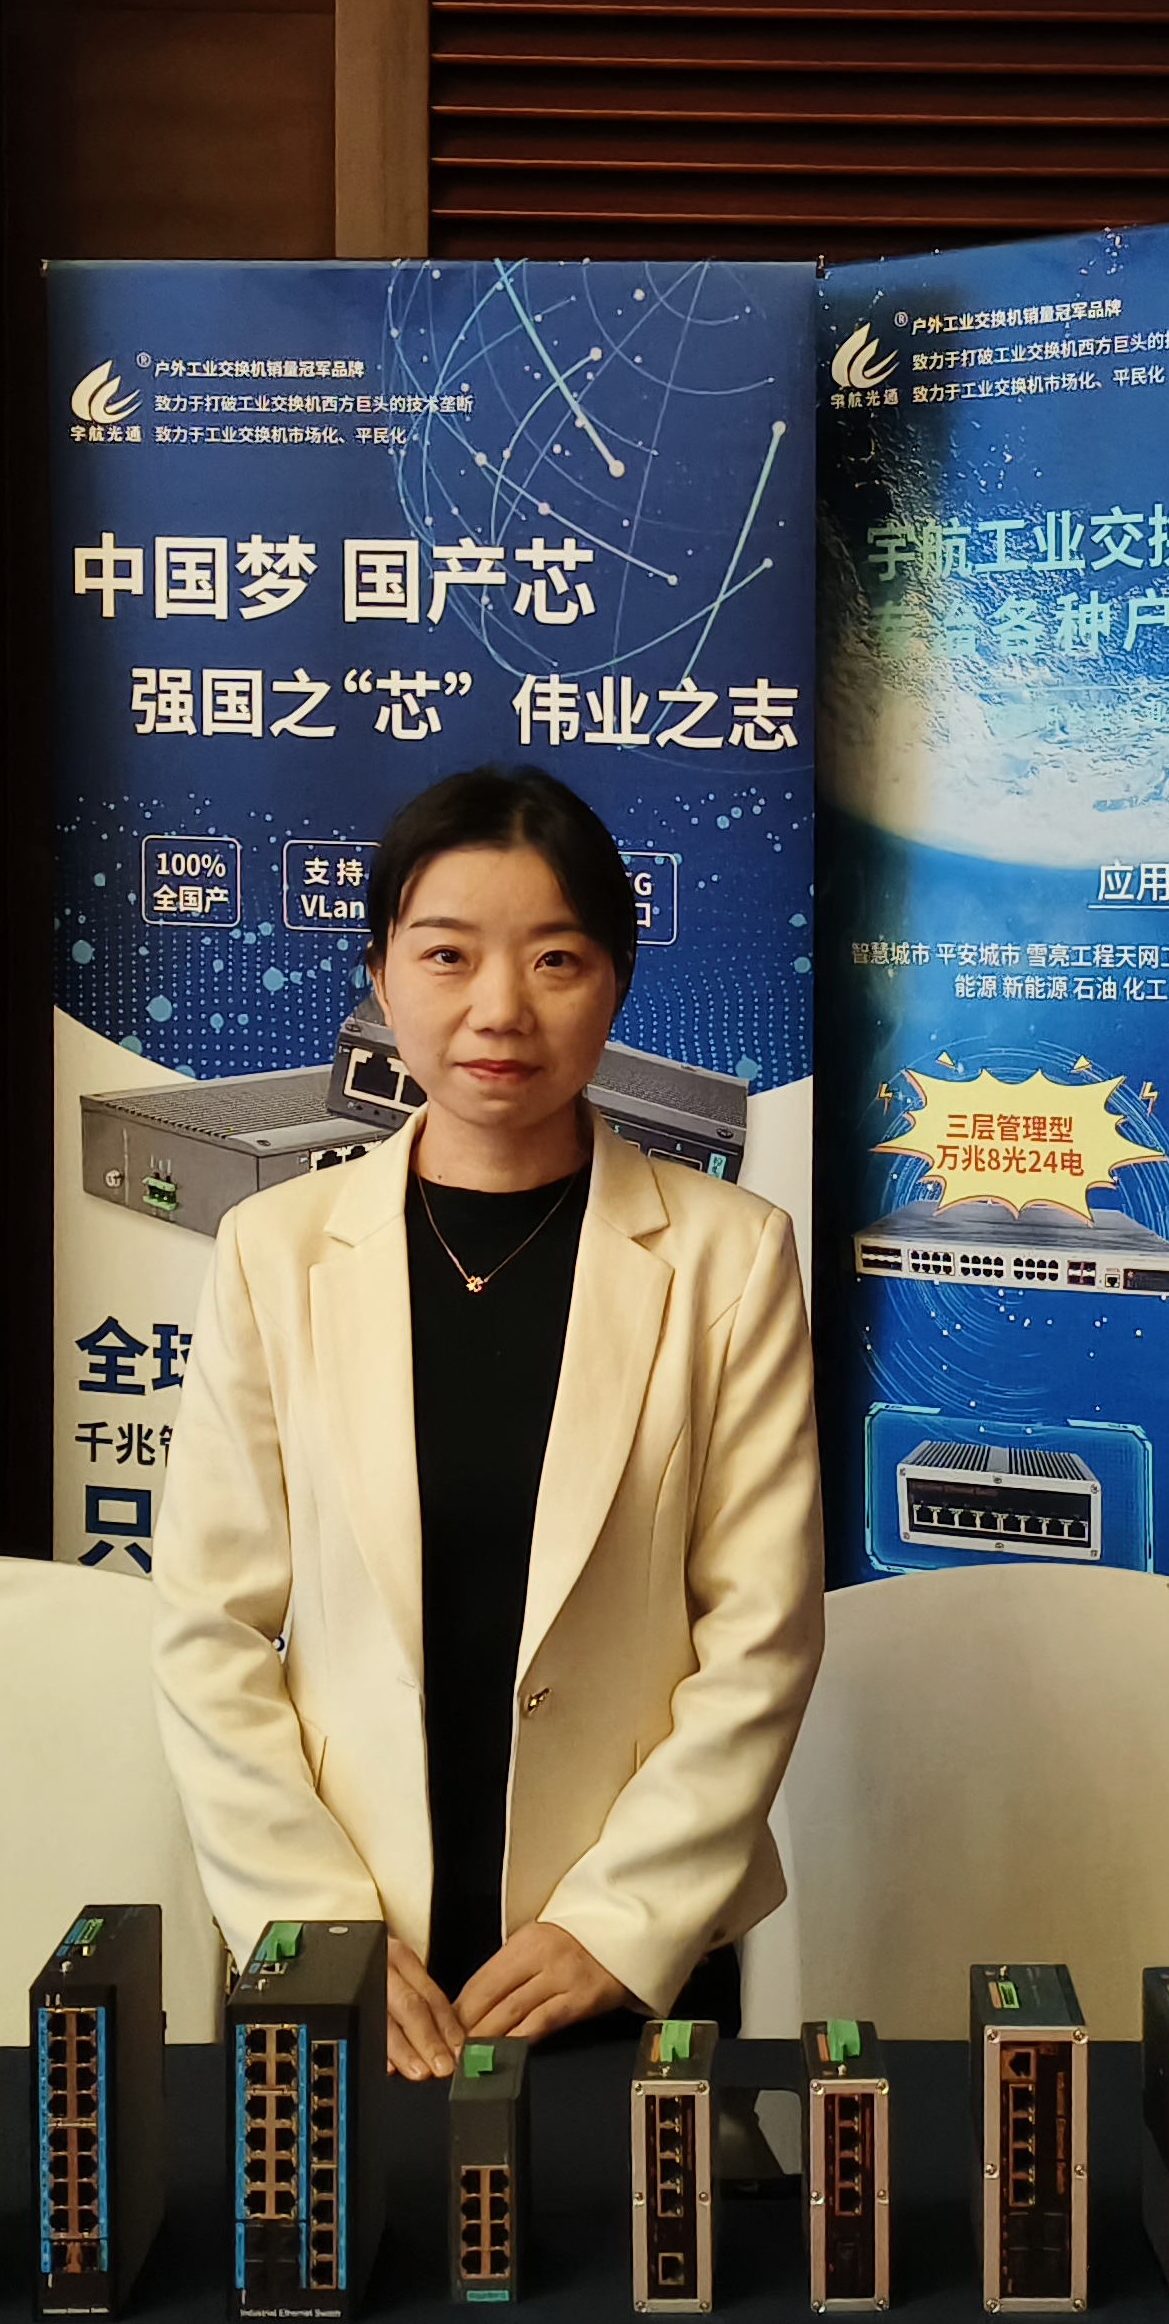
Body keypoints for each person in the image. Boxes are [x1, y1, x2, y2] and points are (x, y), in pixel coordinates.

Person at [152, 765, 823, 2077]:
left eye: (556, 958)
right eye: (447, 955)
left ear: (616, 982)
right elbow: (208, 1625)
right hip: (355, 1953)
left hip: (623, 1959)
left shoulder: (730, 1257)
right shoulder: (274, 1249)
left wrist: (618, 1923)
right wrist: (318, 1924)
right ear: (381, 975)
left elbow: (762, 1632)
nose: (499, 1008)